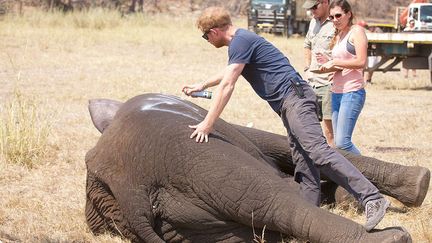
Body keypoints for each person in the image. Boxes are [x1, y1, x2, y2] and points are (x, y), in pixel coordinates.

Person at [182, 6, 389, 232]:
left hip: (295, 99)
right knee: (303, 160)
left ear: (213, 32)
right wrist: (202, 85)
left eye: (205, 36)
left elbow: (228, 84)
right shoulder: (240, 42)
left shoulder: (240, 41)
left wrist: (207, 124)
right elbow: (230, 72)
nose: (207, 41)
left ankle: (372, 198)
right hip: (289, 103)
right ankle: (309, 215)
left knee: (318, 151)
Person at [319, 0, 367, 155]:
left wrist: (335, 62)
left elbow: (361, 62)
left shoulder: (357, 31)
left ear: (349, 14)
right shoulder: (339, 35)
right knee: (337, 144)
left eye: (338, 15)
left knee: (343, 143)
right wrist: (327, 66)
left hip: (352, 92)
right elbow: (344, 65)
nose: (335, 20)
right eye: (332, 17)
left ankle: (368, 173)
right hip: (336, 92)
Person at [303, 0, 335, 147]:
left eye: (315, 7)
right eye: (310, 8)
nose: (312, 11)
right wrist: (307, 68)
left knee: (330, 131)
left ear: (325, 2)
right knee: (313, 129)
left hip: (328, 83)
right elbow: (307, 45)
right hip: (313, 82)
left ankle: (337, 165)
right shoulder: (313, 22)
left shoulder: (336, 22)